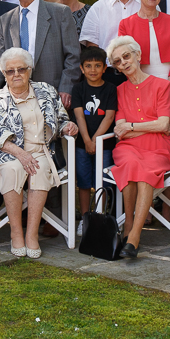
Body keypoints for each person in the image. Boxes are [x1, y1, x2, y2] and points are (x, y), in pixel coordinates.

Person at [0, 48, 78, 258]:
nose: (16, 74)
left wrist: (68, 127)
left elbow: (61, 119)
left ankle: (32, 235)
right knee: (13, 170)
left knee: (40, 169)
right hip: (8, 153)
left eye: (21, 69)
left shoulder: (47, 91)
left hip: (42, 150)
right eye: (10, 71)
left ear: (29, 70)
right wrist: (20, 154)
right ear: (4, 74)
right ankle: (16, 233)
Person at [105, 36, 170, 258]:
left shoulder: (161, 85)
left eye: (127, 56)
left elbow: (164, 124)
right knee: (130, 164)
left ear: (138, 55)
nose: (124, 62)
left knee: (145, 172)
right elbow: (119, 129)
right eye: (117, 61)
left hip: (158, 148)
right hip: (128, 147)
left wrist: (134, 126)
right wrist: (153, 126)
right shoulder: (119, 90)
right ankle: (129, 226)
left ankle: (133, 234)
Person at [0, 0, 81, 108]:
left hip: (54, 95)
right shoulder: (5, 20)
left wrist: (66, 87)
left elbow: (73, 55)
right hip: (17, 98)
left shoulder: (60, 13)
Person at [72, 47, 117, 223]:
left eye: (97, 66)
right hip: (83, 145)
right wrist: (87, 140)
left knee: (103, 182)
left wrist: (96, 140)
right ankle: (85, 219)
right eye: (88, 66)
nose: (93, 70)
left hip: (105, 145)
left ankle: (99, 217)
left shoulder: (111, 89)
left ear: (105, 68)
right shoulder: (78, 89)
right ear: (82, 68)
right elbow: (79, 115)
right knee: (83, 182)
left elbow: (109, 116)